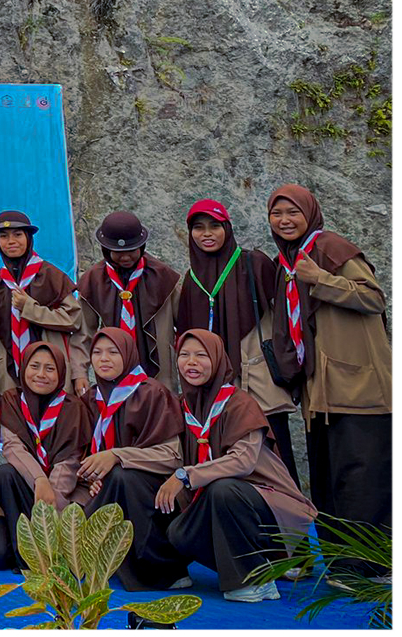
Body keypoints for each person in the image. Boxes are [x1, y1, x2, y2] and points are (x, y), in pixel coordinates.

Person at [265, 184, 391, 558]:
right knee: (328, 483)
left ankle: (371, 565)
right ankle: (340, 566)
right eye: (276, 214)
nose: (284, 221)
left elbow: (373, 297)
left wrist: (320, 278)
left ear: (310, 213)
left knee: (362, 483)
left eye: (293, 212)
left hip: (360, 389)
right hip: (319, 391)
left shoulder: (331, 248)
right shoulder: (287, 261)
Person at [162, 331, 317, 602]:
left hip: (267, 507)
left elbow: (243, 461)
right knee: (179, 534)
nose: (191, 362)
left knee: (224, 489)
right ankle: (255, 568)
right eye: (184, 355)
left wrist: (186, 475)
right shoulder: (182, 406)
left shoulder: (240, 403)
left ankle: (256, 580)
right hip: (220, 504)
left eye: (201, 355)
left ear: (218, 359)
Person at [172, 199, 297, 482]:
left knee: (277, 453)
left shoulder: (254, 263)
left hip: (258, 381)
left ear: (227, 228)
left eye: (214, 226)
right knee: (228, 458)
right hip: (217, 388)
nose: (207, 234)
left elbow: (285, 316)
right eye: (198, 228)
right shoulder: (192, 278)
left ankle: (289, 508)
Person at [79, 328, 187, 591]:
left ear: (128, 354)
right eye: (97, 352)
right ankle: (97, 558)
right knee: (115, 479)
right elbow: (84, 453)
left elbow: (172, 456)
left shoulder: (151, 393)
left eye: (113, 352)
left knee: (121, 476)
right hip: (113, 486)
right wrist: (94, 476)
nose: (104, 359)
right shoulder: (92, 398)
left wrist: (117, 456)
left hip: (157, 491)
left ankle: (165, 569)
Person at [0, 341, 93, 570]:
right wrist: (39, 480)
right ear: (24, 368)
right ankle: (25, 555)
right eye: (34, 366)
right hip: (32, 485)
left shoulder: (74, 407)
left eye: (50, 368)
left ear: (61, 372)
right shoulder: (12, 400)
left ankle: (48, 552)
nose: (41, 374)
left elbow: (70, 462)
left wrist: (50, 519)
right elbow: (13, 448)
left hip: (65, 494)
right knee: (5, 474)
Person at [76, 212, 180, 387]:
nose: (125, 257)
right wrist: (79, 373)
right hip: (113, 373)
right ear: (106, 250)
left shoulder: (163, 277)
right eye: (117, 252)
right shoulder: (93, 280)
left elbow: (186, 324)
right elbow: (83, 333)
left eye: (131, 251)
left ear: (142, 246)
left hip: (159, 373)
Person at [0, 212, 80, 394]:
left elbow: (73, 319)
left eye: (18, 235)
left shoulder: (50, 275)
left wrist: (29, 308)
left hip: (49, 369)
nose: (11, 241)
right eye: (3, 236)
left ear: (28, 238)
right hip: (10, 371)